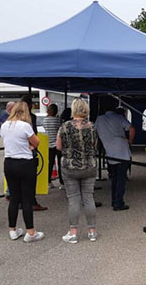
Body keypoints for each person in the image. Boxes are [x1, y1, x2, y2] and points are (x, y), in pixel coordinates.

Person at [0, 101, 44, 243]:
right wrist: (29, 147)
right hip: (25, 163)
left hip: (9, 163)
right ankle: (30, 232)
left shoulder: (4, 125)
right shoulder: (25, 126)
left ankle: (12, 230)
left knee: (14, 198)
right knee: (27, 198)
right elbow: (36, 142)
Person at [56, 98, 98, 243]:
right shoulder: (92, 126)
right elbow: (95, 146)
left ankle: (73, 233)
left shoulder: (65, 126)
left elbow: (58, 146)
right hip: (89, 166)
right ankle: (92, 232)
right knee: (88, 197)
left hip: (70, 167)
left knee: (74, 199)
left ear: (73, 109)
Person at [95, 105, 135, 211]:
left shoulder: (99, 119)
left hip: (110, 152)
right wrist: (130, 141)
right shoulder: (119, 117)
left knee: (114, 178)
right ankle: (118, 203)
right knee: (121, 178)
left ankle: (114, 200)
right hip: (122, 151)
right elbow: (131, 128)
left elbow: (94, 133)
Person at [21, 95, 48, 211]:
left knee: (20, 181)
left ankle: (21, 201)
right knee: (31, 179)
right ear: (30, 105)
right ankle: (32, 201)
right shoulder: (31, 117)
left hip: (16, 155)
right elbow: (34, 136)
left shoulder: (14, 120)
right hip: (29, 152)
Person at [43, 104, 63, 188]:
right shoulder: (58, 120)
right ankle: (62, 182)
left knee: (50, 163)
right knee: (60, 163)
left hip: (49, 144)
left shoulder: (45, 120)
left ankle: (48, 182)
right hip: (58, 144)